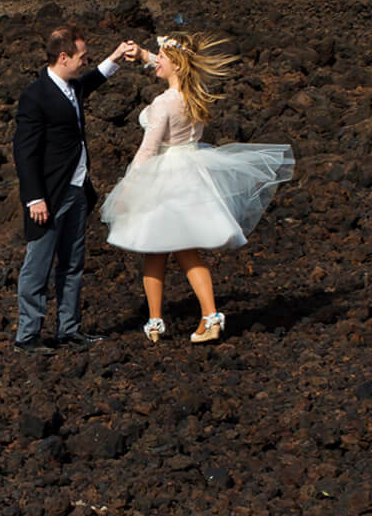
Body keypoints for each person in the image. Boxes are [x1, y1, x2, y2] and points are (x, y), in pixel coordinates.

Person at [100, 33, 294, 343]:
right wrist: (146, 56)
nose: (157, 62)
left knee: (154, 249)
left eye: (162, 58)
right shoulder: (195, 94)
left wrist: (128, 187)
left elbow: (148, 150)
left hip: (164, 178)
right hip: (191, 172)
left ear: (175, 63)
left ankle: (155, 322)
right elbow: (178, 68)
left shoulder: (163, 103)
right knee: (186, 250)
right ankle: (210, 315)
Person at [11, 26, 138, 355]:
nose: (85, 62)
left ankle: (69, 329)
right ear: (63, 57)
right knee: (37, 265)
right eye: (82, 57)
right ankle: (28, 336)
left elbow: (90, 82)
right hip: (50, 196)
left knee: (72, 263)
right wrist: (34, 198)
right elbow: (25, 152)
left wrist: (115, 57)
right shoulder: (36, 95)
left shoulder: (70, 86)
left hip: (78, 191)